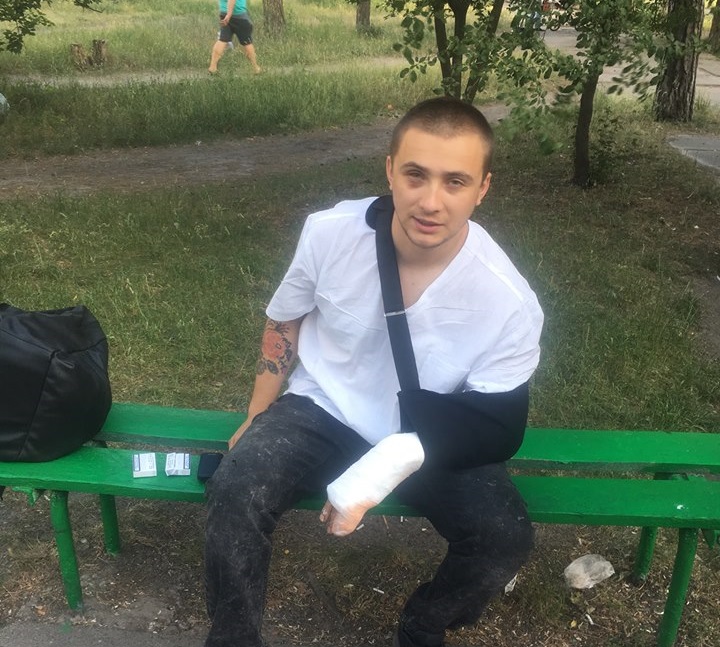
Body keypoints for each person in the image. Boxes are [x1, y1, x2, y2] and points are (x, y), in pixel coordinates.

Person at [204, 96, 544, 647]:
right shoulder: (330, 234)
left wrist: (389, 462)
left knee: (504, 538)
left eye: (455, 182)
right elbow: (285, 318)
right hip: (323, 406)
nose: (430, 201)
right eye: (415, 175)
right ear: (390, 170)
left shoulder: (508, 301)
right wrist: (257, 412)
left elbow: (498, 425)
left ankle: (424, 622)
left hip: (424, 434)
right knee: (234, 489)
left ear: (483, 188)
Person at [209, 0, 261, 74]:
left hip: (224, 12)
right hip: (237, 14)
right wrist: (229, 14)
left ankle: (212, 67)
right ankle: (255, 68)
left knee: (222, 40)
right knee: (247, 42)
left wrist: (226, 14)